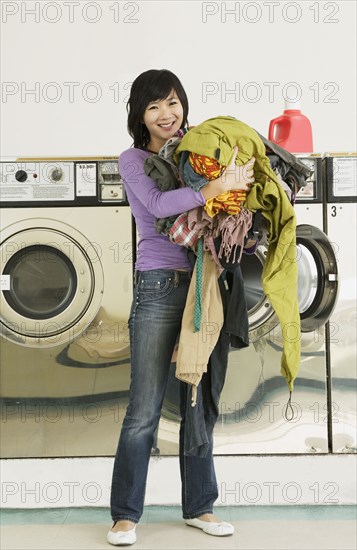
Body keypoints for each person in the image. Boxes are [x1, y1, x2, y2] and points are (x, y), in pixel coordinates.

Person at [107, 69, 254, 546]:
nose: (166, 114)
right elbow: (155, 204)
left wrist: (240, 181)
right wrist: (214, 190)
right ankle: (126, 515)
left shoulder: (200, 153)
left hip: (204, 284)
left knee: (199, 402)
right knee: (145, 408)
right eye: (154, 107)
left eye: (172, 102)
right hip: (157, 286)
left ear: (183, 104)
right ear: (140, 116)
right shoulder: (132, 160)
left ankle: (200, 507)